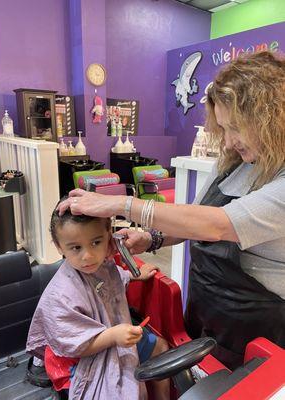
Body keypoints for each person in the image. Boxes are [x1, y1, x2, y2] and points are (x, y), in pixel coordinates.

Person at [57, 50, 285, 370]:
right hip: (207, 306)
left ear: (269, 119)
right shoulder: (234, 163)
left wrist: (124, 204)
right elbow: (193, 219)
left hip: (257, 326)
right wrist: (151, 239)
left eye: (236, 127)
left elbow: (219, 225)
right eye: (224, 128)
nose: (230, 141)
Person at [26, 200, 170, 399]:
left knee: (161, 348)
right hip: (78, 359)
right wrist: (112, 336)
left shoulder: (105, 266)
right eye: (76, 247)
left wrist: (134, 275)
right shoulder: (60, 296)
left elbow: (112, 279)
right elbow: (74, 344)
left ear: (109, 236)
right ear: (59, 246)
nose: (88, 256)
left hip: (116, 333)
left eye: (96, 242)